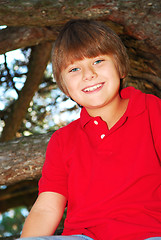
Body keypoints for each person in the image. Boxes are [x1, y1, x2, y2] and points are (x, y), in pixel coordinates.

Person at [19, 19, 161, 240]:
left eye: (97, 61)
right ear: (65, 87)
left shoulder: (152, 111)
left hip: (150, 233)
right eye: (74, 68)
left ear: (120, 66)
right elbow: (47, 207)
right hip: (83, 236)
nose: (88, 74)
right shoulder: (62, 141)